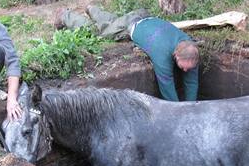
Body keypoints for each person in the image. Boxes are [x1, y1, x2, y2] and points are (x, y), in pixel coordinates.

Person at [54, 6, 199, 101]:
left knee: (113, 24)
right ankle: (65, 15)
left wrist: (192, 106)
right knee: (98, 33)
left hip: (142, 16)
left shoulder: (190, 47)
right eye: (183, 67)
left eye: (188, 68)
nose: (185, 71)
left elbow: (191, 81)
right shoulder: (162, 54)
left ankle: (92, 9)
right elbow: (168, 91)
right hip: (132, 26)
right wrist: (181, 111)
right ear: (176, 55)